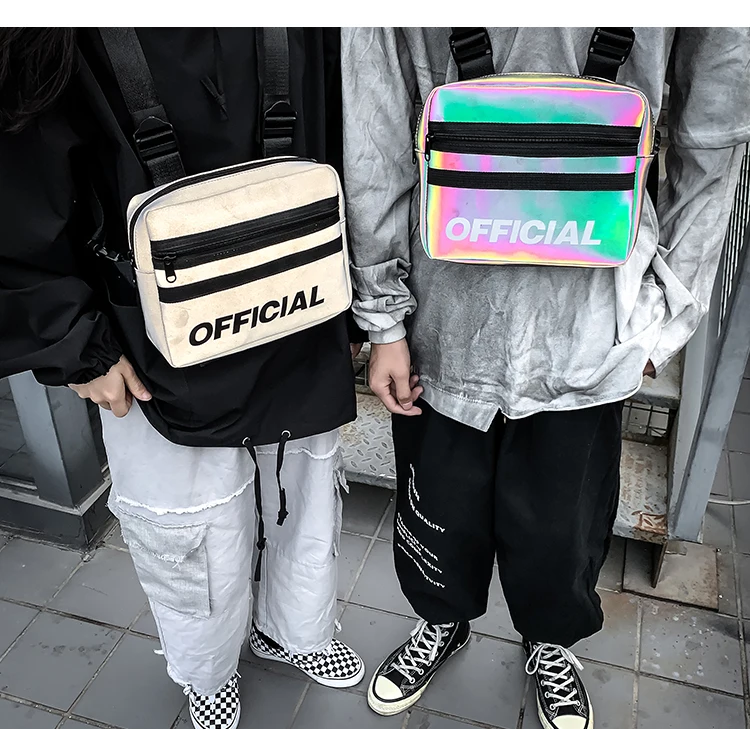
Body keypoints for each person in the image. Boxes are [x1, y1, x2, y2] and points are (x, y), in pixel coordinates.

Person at [341, 27, 750, 729]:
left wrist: (665, 311)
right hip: (446, 319)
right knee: (439, 508)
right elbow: (374, 123)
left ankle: (550, 640)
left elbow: (714, 126)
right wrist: (384, 320)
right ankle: (442, 620)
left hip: (590, 325)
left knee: (563, 526)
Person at [0, 28, 367, 729]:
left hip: (296, 299)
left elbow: (342, 121)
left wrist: (354, 304)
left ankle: (295, 627)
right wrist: (72, 341)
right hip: (148, 333)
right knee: (189, 530)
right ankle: (208, 668)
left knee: (302, 492)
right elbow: (17, 180)